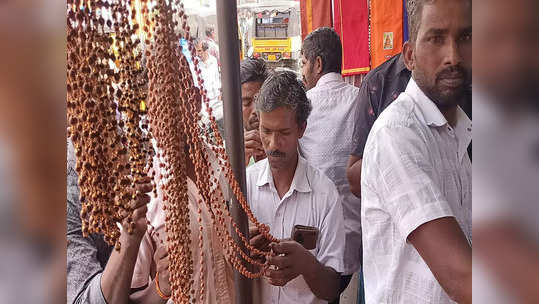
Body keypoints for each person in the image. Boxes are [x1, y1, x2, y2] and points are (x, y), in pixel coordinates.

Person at [360, 0, 472, 303]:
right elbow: (463, 277)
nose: (453, 56)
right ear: (410, 56)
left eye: (465, 37)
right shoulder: (397, 134)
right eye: (436, 38)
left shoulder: (457, 132)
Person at [246, 71, 345, 304]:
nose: (273, 144)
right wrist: (242, 251)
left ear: (301, 129)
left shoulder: (325, 194)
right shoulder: (245, 186)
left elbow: (332, 289)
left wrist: (306, 264)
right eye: (266, 131)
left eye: (284, 133)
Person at [298, 27, 362, 300]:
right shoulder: (360, 99)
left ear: (318, 64)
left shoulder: (303, 105)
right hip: (356, 238)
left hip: (315, 240)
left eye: (303, 62)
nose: (301, 70)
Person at [67, 140, 154, 304]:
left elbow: (130, 297)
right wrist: (129, 237)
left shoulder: (131, 147)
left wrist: (159, 288)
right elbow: (82, 300)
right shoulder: (66, 192)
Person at [345, 53, 411, 198]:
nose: (452, 57)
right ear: (410, 53)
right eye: (436, 39)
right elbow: (356, 180)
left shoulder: (466, 82)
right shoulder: (378, 83)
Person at [239, 58, 269, 166]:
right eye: (246, 103)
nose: (256, 110)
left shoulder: (287, 144)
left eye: (260, 100)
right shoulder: (228, 151)